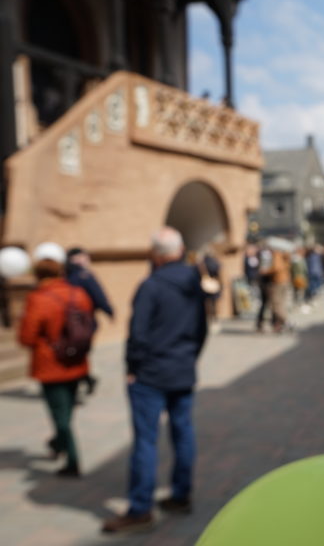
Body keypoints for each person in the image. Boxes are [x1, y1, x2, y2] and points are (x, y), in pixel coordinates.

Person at [102, 227, 207, 533]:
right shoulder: (193, 282)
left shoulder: (152, 285)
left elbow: (138, 333)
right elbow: (201, 327)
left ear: (157, 254)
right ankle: (181, 493)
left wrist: (132, 366)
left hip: (151, 372)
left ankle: (140, 507)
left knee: (146, 440)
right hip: (181, 367)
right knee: (183, 432)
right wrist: (190, 357)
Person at [18, 242, 93, 477]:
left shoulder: (39, 299)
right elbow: (88, 324)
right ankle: (59, 444)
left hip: (51, 365)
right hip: (77, 361)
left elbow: (27, 337)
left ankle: (71, 460)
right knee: (67, 411)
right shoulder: (78, 293)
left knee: (60, 416)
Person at [65, 247, 114, 396]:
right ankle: (84, 379)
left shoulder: (64, 275)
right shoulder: (84, 275)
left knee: (76, 353)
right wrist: (109, 311)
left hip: (68, 323)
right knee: (80, 353)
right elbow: (98, 295)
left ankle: (83, 379)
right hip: (85, 323)